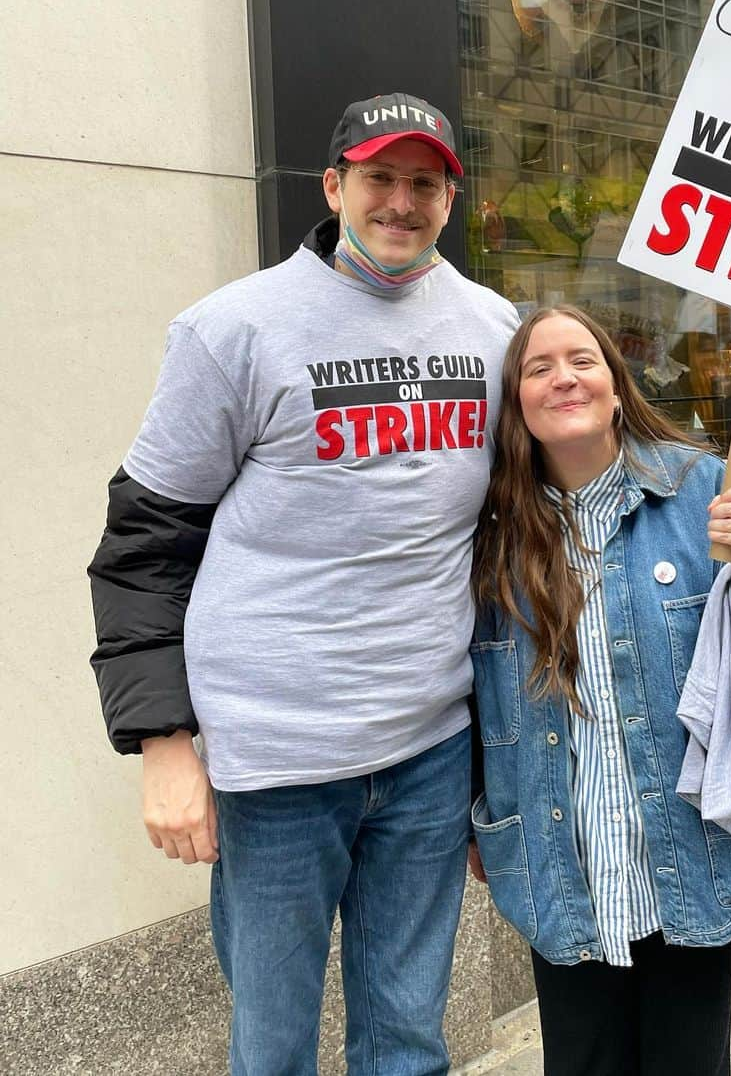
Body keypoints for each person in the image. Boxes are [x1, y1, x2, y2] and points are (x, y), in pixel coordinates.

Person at [88, 94, 520, 1076]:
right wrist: (162, 741)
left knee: (411, 1043)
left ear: (450, 197)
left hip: (430, 752)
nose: (401, 203)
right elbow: (143, 546)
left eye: (425, 182)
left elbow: (511, 535)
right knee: (273, 1046)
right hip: (275, 760)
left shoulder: (496, 330)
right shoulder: (233, 330)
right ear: (334, 187)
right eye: (380, 178)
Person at [468, 305, 731, 1076]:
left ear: (617, 387)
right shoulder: (490, 533)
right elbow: (467, 694)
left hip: (692, 855)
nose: (564, 376)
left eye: (582, 360)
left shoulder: (704, 490)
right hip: (564, 864)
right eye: (538, 366)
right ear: (518, 402)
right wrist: (475, 812)